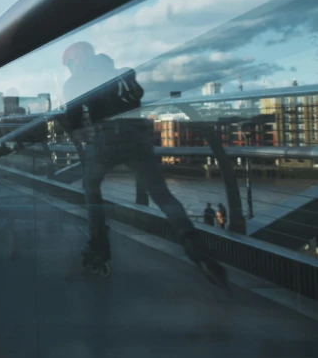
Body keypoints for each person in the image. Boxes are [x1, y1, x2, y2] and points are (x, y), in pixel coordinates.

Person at [61, 41, 228, 288]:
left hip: (106, 138)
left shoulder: (77, 81)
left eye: (70, 65)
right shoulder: (124, 72)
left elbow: (73, 117)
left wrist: (79, 131)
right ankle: (196, 248)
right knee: (162, 194)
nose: (70, 71)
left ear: (76, 61)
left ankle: (99, 245)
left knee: (91, 187)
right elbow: (137, 96)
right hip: (137, 136)